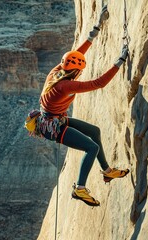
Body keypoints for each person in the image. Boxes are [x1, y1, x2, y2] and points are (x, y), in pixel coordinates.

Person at [38, 6, 129, 207]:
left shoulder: (59, 71)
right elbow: (98, 83)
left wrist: (94, 31)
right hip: (54, 127)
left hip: (53, 119)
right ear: (76, 70)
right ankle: (80, 189)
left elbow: (75, 54)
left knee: (94, 132)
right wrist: (119, 61)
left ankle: (107, 171)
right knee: (92, 147)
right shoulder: (66, 85)